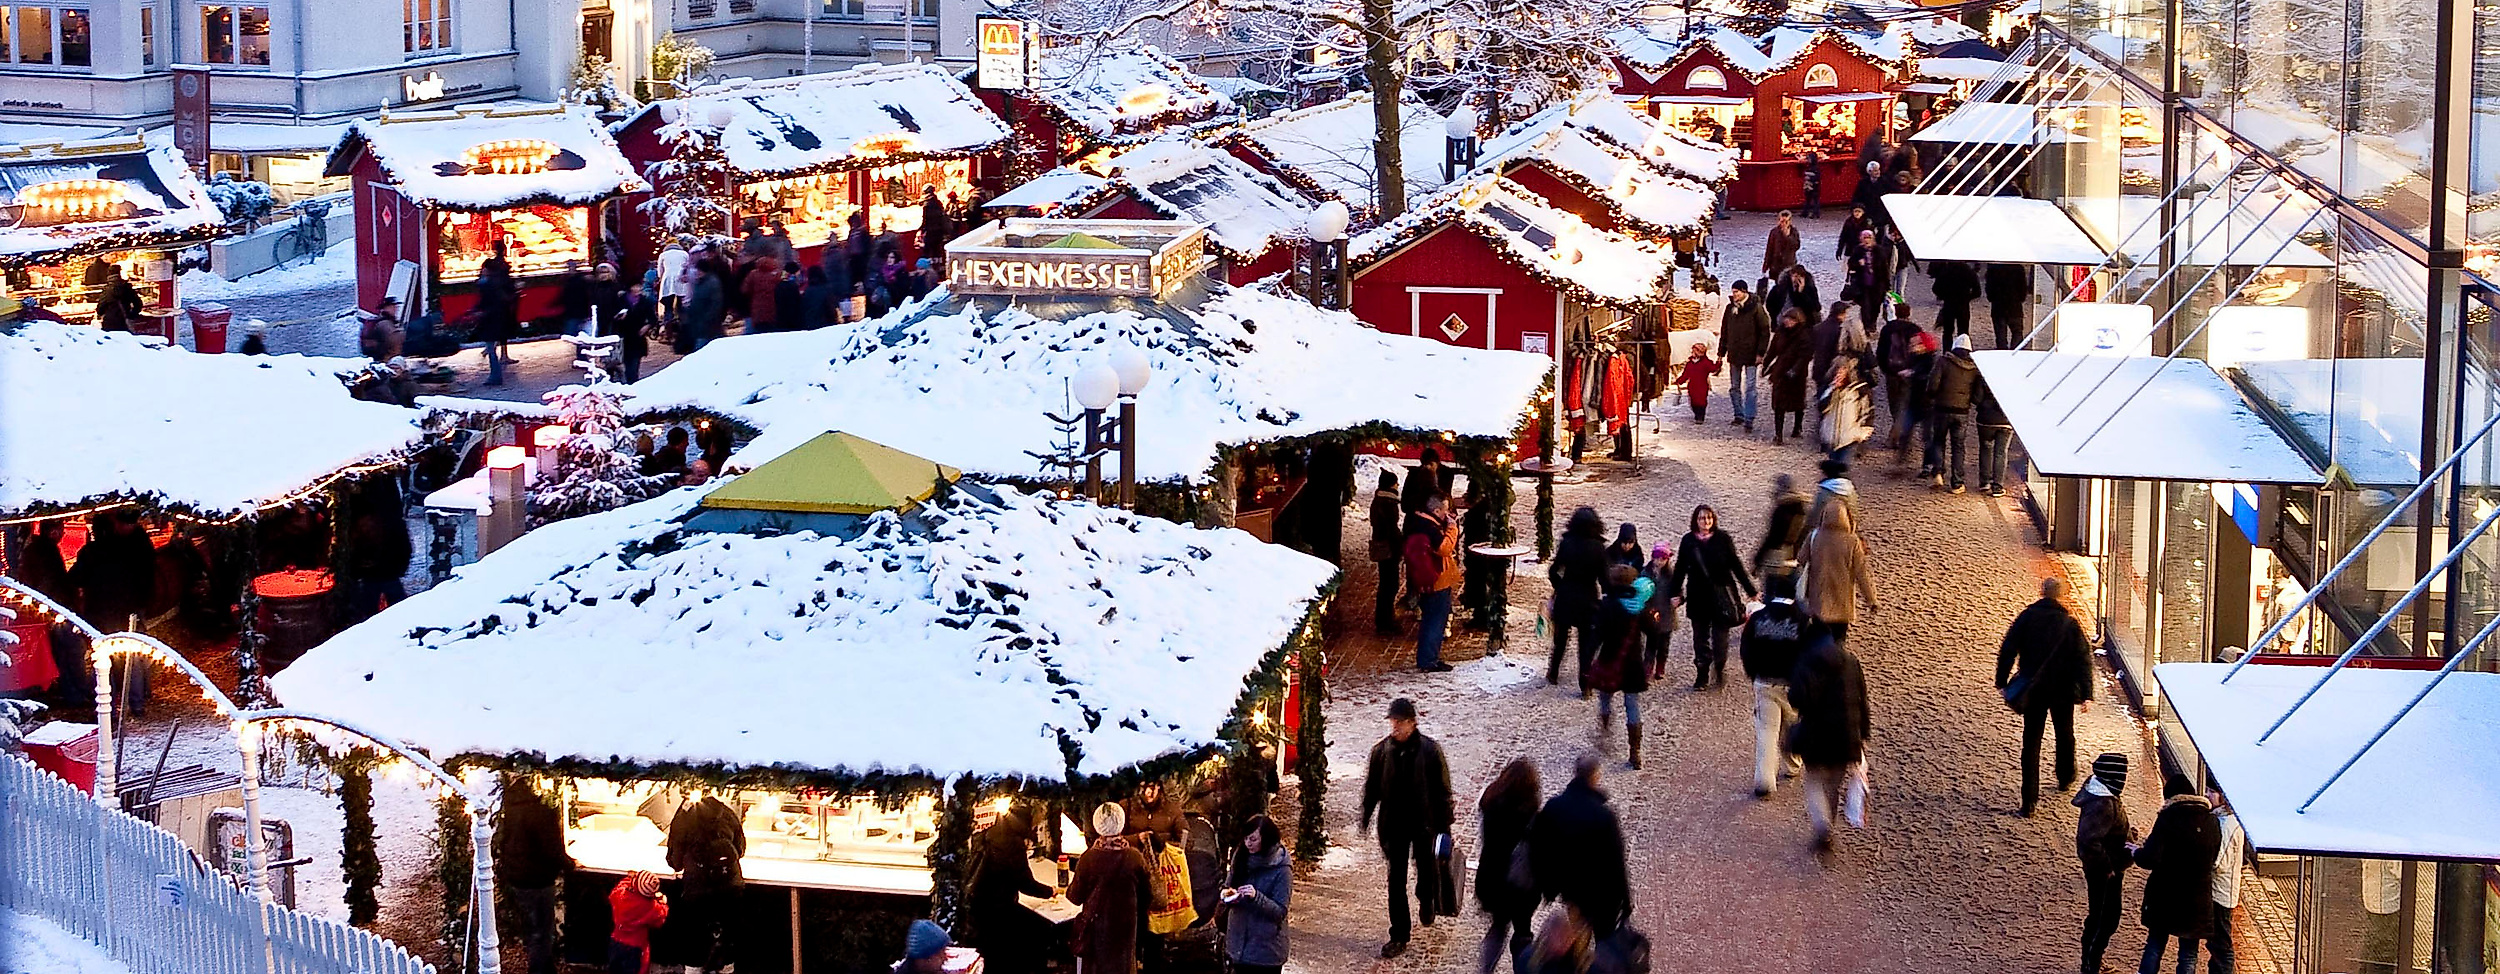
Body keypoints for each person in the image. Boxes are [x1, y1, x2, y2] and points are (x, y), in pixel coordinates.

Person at [1361, 697, 1455, 958]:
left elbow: (1443, 791)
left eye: (1400, 722)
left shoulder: (1430, 751)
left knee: (1426, 872)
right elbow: (1372, 788)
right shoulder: (1381, 752)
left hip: (1424, 825)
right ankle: (1399, 934)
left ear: (1413, 723)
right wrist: (1366, 817)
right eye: (1393, 722)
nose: (1396, 727)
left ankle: (1427, 899)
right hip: (1394, 827)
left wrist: (1445, 827)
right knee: (1395, 881)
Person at [1996, 576, 2095, 817]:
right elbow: (2083, 659)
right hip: (2062, 690)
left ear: (2042, 593)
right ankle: (2065, 776)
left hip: (2034, 688)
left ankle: (2029, 799)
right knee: (2064, 734)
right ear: (2062, 595)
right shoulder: (2069, 623)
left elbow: (2008, 648)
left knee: (2031, 742)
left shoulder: (2028, 617)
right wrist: (2086, 694)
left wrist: (2002, 680)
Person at [1529, 754, 1629, 937]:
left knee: (1578, 939)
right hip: (1602, 893)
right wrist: (1626, 899)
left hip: (1571, 889)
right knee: (1604, 941)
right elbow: (1616, 861)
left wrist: (1547, 885)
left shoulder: (1554, 807)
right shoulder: (1604, 816)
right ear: (1595, 777)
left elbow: (1539, 847)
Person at [1787, 633, 1869, 851]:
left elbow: (1796, 698)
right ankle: (1829, 826)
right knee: (1833, 785)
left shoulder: (1807, 661)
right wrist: (1863, 734)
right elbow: (1862, 699)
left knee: (1814, 781)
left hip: (1816, 734)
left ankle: (1823, 826)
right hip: (1847, 736)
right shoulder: (1851, 662)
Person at [2135, 773, 2224, 974]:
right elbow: (2213, 857)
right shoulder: (2211, 822)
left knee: (2155, 944)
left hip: (2166, 895)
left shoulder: (2168, 818)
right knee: (2189, 952)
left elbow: (2149, 858)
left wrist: (2136, 852)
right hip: (2197, 899)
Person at [1667, 504, 1755, 690]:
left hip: (1721, 597)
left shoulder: (1723, 539)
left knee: (1720, 638)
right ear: (1695, 520)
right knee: (1700, 640)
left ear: (1713, 519)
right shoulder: (1688, 541)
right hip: (1698, 597)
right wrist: (1674, 593)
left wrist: (1751, 590)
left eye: (1708, 518)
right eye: (1701, 518)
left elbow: (1736, 565)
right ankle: (1702, 675)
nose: (1705, 521)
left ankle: (1720, 668)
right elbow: (1680, 569)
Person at [965, 803, 1053, 974]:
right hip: (998, 908)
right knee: (1037, 929)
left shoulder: (993, 833)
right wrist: (1050, 891)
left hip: (981, 906)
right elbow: (1025, 883)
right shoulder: (1012, 844)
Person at [496, 783, 574, 974]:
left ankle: (544, 967)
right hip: (537, 881)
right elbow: (552, 849)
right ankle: (540, 970)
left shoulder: (510, 812)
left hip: (517, 879)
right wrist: (569, 865)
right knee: (541, 932)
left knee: (533, 930)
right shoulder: (541, 813)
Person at [663, 791, 745, 974]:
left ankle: (694, 969)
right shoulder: (727, 813)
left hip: (698, 891)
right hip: (731, 887)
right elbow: (740, 849)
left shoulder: (683, 818)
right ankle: (727, 967)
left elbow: (674, 863)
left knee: (694, 938)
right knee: (728, 935)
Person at [1477, 758, 1542, 974]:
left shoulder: (1490, 802)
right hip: (1521, 885)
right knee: (1523, 933)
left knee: (1497, 927)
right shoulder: (1530, 812)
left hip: (1492, 878)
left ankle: (1486, 969)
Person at [1069, 802, 1151, 974]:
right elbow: (1147, 896)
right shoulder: (1135, 857)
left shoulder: (1088, 858)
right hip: (1126, 927)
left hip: (1097, 927)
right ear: (1121, 823)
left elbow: (1074, 897)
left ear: (1097, 824)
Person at [1741, 591, 1809, 797]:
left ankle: (1764, 780)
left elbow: (1746, 649)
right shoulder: (1802, 620)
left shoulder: (1759, 618)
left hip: (1765, 682)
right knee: (1792, 725)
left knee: (1766, 732)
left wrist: (1754, 674)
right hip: (1791, 684)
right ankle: (1793, 764)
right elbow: (1808, 653)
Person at [2075, 753, 2135, 974]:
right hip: (2105, 872)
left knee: (2104, 916)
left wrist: (2128, 835)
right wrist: (2107, 867)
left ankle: (2092, 962)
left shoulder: (2104, 797)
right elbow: (2088, 841)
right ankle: (2091, 964)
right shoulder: (2103, 803)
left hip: (2107, 868)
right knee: (2105, 918)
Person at [1592, 563, 1654, 767]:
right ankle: (1635, 751)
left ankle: (1605, 728)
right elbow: (1652, 631)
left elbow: (1597, 636)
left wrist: (1588, 660)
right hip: (1633, 664)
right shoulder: (1639, 606)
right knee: (1632, 706)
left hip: (1610, 660)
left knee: (1605, 699)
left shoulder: (1608, 606)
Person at [1797, 492, 1878, 641]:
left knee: (1819, 639)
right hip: (1842, 603)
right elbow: (1861, 573)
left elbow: (1801, 560)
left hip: (1818, 602)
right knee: (1839, 640)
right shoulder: (1852, 541)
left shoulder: (1814, 536)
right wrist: (1871, 600)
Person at [1548, 507, 1609, 692]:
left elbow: (1553, 571)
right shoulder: (1599, 547)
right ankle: (1585, 684)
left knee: (1560, 640)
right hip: (1588, 598)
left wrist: (1559, 587)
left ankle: (1553, 673)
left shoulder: (1567, 542)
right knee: (1585, 645)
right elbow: (1604, 579)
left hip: (1566, 596)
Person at [1221, 814, 1292, 974]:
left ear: (1266, 839)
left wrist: (1256, 897)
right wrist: (1227, 895)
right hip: (1237, 945)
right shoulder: (1241, 856)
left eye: (1253, 839)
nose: (1248, 844)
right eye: (1246, 838)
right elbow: (1228, 885)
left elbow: (1280, 912)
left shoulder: (1282, 869)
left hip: (1266, 953)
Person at [1406, 492, 1460, 672]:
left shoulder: (1417, 521)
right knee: (1435, 621)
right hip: (1437, 582)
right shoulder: (1429, 528)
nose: (1447, 515)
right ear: (1436, 511)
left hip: (1426, 580)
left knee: (1431, 618)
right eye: (1445, 511)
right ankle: (1429, 660)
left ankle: (1428, 657)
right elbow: (1444, 549)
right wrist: (1453, 529)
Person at [1927, 334, 1982, 491]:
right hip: (1962, 412)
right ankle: (1957, 482)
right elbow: (1977, 396)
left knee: (1939, 441)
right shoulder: (1974, 368)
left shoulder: (1943, 362)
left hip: (1942, 409)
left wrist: (1933, 396)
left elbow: (1933, 385)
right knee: (1958, 446)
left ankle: (1938, 472)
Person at [1720, 280, 1772, 433]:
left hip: (1750, 354)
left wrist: (1761, 353)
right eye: (1733, 291)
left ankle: (1749, 416)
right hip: (1735, 353)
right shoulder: (1730, 308)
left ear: (1744, 291)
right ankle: (1738, 414)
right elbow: (1725, 330)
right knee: (1734, 387)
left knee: (1750, 387)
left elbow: (1764, 331)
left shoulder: (1756, 308)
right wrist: (1721, 352)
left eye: (1737, 292)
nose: (1734, 294)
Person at [346, 504, 411, 624]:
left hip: (383, 572)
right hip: (380, 573)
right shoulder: (390, 522)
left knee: (376, 606)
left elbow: (403, 546)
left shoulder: (387, 524)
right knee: (393, 604)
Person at [1752, 475, 1811, 599]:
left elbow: (1772, 538)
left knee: (1771, 594)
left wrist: (1757, 560)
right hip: (1795, 555)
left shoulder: (1781, 510)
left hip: (1777, 558)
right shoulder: (1802, 509)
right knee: (1795, 592)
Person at [1766, 309, 1814, 445]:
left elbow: (1805, 355)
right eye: (1786, 318)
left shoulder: (1804, 335)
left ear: (1797, 320)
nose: (1787, 321)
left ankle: (1797, 427)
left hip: (1797, 375)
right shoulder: (1780, 333)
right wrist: (1766, 364)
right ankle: (1778, 434)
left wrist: (1795, 370)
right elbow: (1773, 349)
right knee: (1778, 404)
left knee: (1798, 402)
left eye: (1791, 319)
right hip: (1780, 372)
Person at [2208, 789, 2244, 974]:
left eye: (2211, 792)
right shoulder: (2221, 820)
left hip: (2222, 893)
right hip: (2218, 891)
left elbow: (2220, 863)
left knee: (2221, 945)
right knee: (2216, 943)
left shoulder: (2229, 825)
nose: (2207, 795)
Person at [606, 871, 668, 974]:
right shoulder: (650, 907)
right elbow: (660, 919)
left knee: (615, 969)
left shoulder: (621, 894)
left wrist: (630, 879)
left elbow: (617, 890)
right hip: (636, 948)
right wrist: (663, 903)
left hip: (616, 942)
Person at [475, 242, 517, 385]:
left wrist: (479, 311)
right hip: (497, 315)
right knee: (497, 338)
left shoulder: (487, 284)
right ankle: (497, 366)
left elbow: (486, 301)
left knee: (491, 343)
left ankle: (495, 376)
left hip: (491, 318)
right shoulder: (499, 275)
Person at [1897, 330, 1939, 471]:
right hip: (1914, 402)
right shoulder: (1914, 357)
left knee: (1928, 437)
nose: (1911, 346)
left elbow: (1930, 379)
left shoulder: (1932, 361)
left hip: (1928, 404)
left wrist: (1912, 374)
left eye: (1915, 344)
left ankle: (1927, 465)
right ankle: (1902, 458)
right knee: (1905, 431)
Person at [1370, 471, 1404, 635]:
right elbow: (1391, 529)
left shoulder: (1380, 500)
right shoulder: (1388, 503)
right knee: (1390, 584)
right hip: (1388, 549)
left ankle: (1385, 619)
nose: (1398, 486)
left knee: (1386, 583)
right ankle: (1385, 621)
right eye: (1396, 483)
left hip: (1382, 547)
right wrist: (1399, 546)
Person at [1638, 544, 1677, 680]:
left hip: (1666, 614)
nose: (1659, 562)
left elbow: (1679, 592)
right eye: (1657, 558)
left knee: (1664, 645)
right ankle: (1647, 669)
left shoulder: (1672, 575)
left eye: (1663, 559)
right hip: (1651, 613)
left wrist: (1679, 599)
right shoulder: (1645, 572)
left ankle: (1660, 666)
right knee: (1651, 644)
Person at [1975, 371, 2013, 496]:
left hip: (1986, 420)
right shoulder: (2013, 378)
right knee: (2001, 453)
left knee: (1986, 448)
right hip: (2005, 420)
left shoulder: (1985, 375)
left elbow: (1977, 398)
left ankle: (1985, 481)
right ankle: (1997, 486)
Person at [613, 281, 655, 383]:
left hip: (638, 337)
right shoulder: (621, 300)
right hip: (624, 336)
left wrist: (647, 326)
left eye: (639, 286)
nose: (638, 288)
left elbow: (653, 318)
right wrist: (619, 317)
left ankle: (632, 384)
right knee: (627, 364)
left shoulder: (645, 301)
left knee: (634, 365)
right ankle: (627, 382)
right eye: (636, 286)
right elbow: (613, 317)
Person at [1930, 258, 1981, 341]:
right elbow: (1977, 292)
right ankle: (1962, 350)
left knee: (1947, 332)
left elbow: (1935, 288)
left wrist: (1945, 296)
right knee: (1963, 332)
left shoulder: (1945, 270)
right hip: (1963, 305)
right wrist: (1967, 297)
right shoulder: (1969, 271)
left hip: (1949, 304)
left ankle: (1947, 350)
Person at [1986, 262, 2031, 350]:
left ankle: (2002, 354)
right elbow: (2023, 288)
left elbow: (1989, 288)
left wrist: (1992, 298)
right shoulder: (2018, 268)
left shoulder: (1993, 268)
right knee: (2017, 332)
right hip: (2015, 305)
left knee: (2000, 336)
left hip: (1998, 305)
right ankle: (2016, 353)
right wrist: (2020, 298)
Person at [1675, 342, 1721, 423]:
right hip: (1692, 386)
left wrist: (1718, 364)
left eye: (1694, 351)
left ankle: (1700, 416)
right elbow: (1686, 374)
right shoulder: (1690, 363)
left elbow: (1713, 368)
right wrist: (1679, 381)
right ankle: (1696, 414)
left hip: (1702, 386)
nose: (1692, 353)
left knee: (1701, 401)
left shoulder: (1706, 363)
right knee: (1693, 401)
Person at [742, 254, 784, 332]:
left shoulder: (753, 274)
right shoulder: (778, 274)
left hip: (757, 308)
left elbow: (745, 289)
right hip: (773, 307)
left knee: (759, 331)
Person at [361, 297, 406, 362]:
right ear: (386, 308)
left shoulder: (382, 322)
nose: (396, 309)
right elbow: (395, 340)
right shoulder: (384, 324)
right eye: (393, 306)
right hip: (386, 360)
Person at [1762, 211, 1802, 280]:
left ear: (1790, 221)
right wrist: (1766, 266)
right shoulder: (1774, 232)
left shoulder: (1794, 232)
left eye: (1786, 221)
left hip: (1789, 266)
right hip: (1775, 266)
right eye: (1782, 221)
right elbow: (1769, 249)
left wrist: (1787, 236)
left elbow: (1796, 246)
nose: (1783, 224)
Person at [921, 187, 955, 264]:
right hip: (939, 231)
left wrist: (922, 229)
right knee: (936, 250)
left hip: (931, 231)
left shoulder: (927, 204)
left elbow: (926, 219)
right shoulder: (938, 202)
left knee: (928, 249)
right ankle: (938, 265)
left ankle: (928, 266)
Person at [1799, 154, 1823, 219]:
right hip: (1811, 184)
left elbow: (1816, 177)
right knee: (1810, 199)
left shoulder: (1813, 168)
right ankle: (1809, 213)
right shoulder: (1814, 167)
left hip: (1812, 185)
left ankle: (1813, 213)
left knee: (1813, 200)